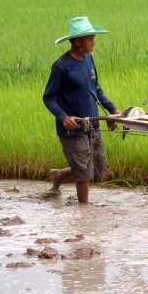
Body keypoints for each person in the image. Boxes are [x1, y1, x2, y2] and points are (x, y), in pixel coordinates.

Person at [43, 16, 120, 203]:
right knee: (84, 174)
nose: (94, 43)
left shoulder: (88, 60)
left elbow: (96, 88)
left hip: (91, 123)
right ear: (78, 42)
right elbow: (48, 97)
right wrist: (63, 117)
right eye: (90, 39)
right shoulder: (61, 67)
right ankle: (84, 212)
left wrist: (113, 110)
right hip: (72, 128)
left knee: (96, 167)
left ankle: (59, 175)